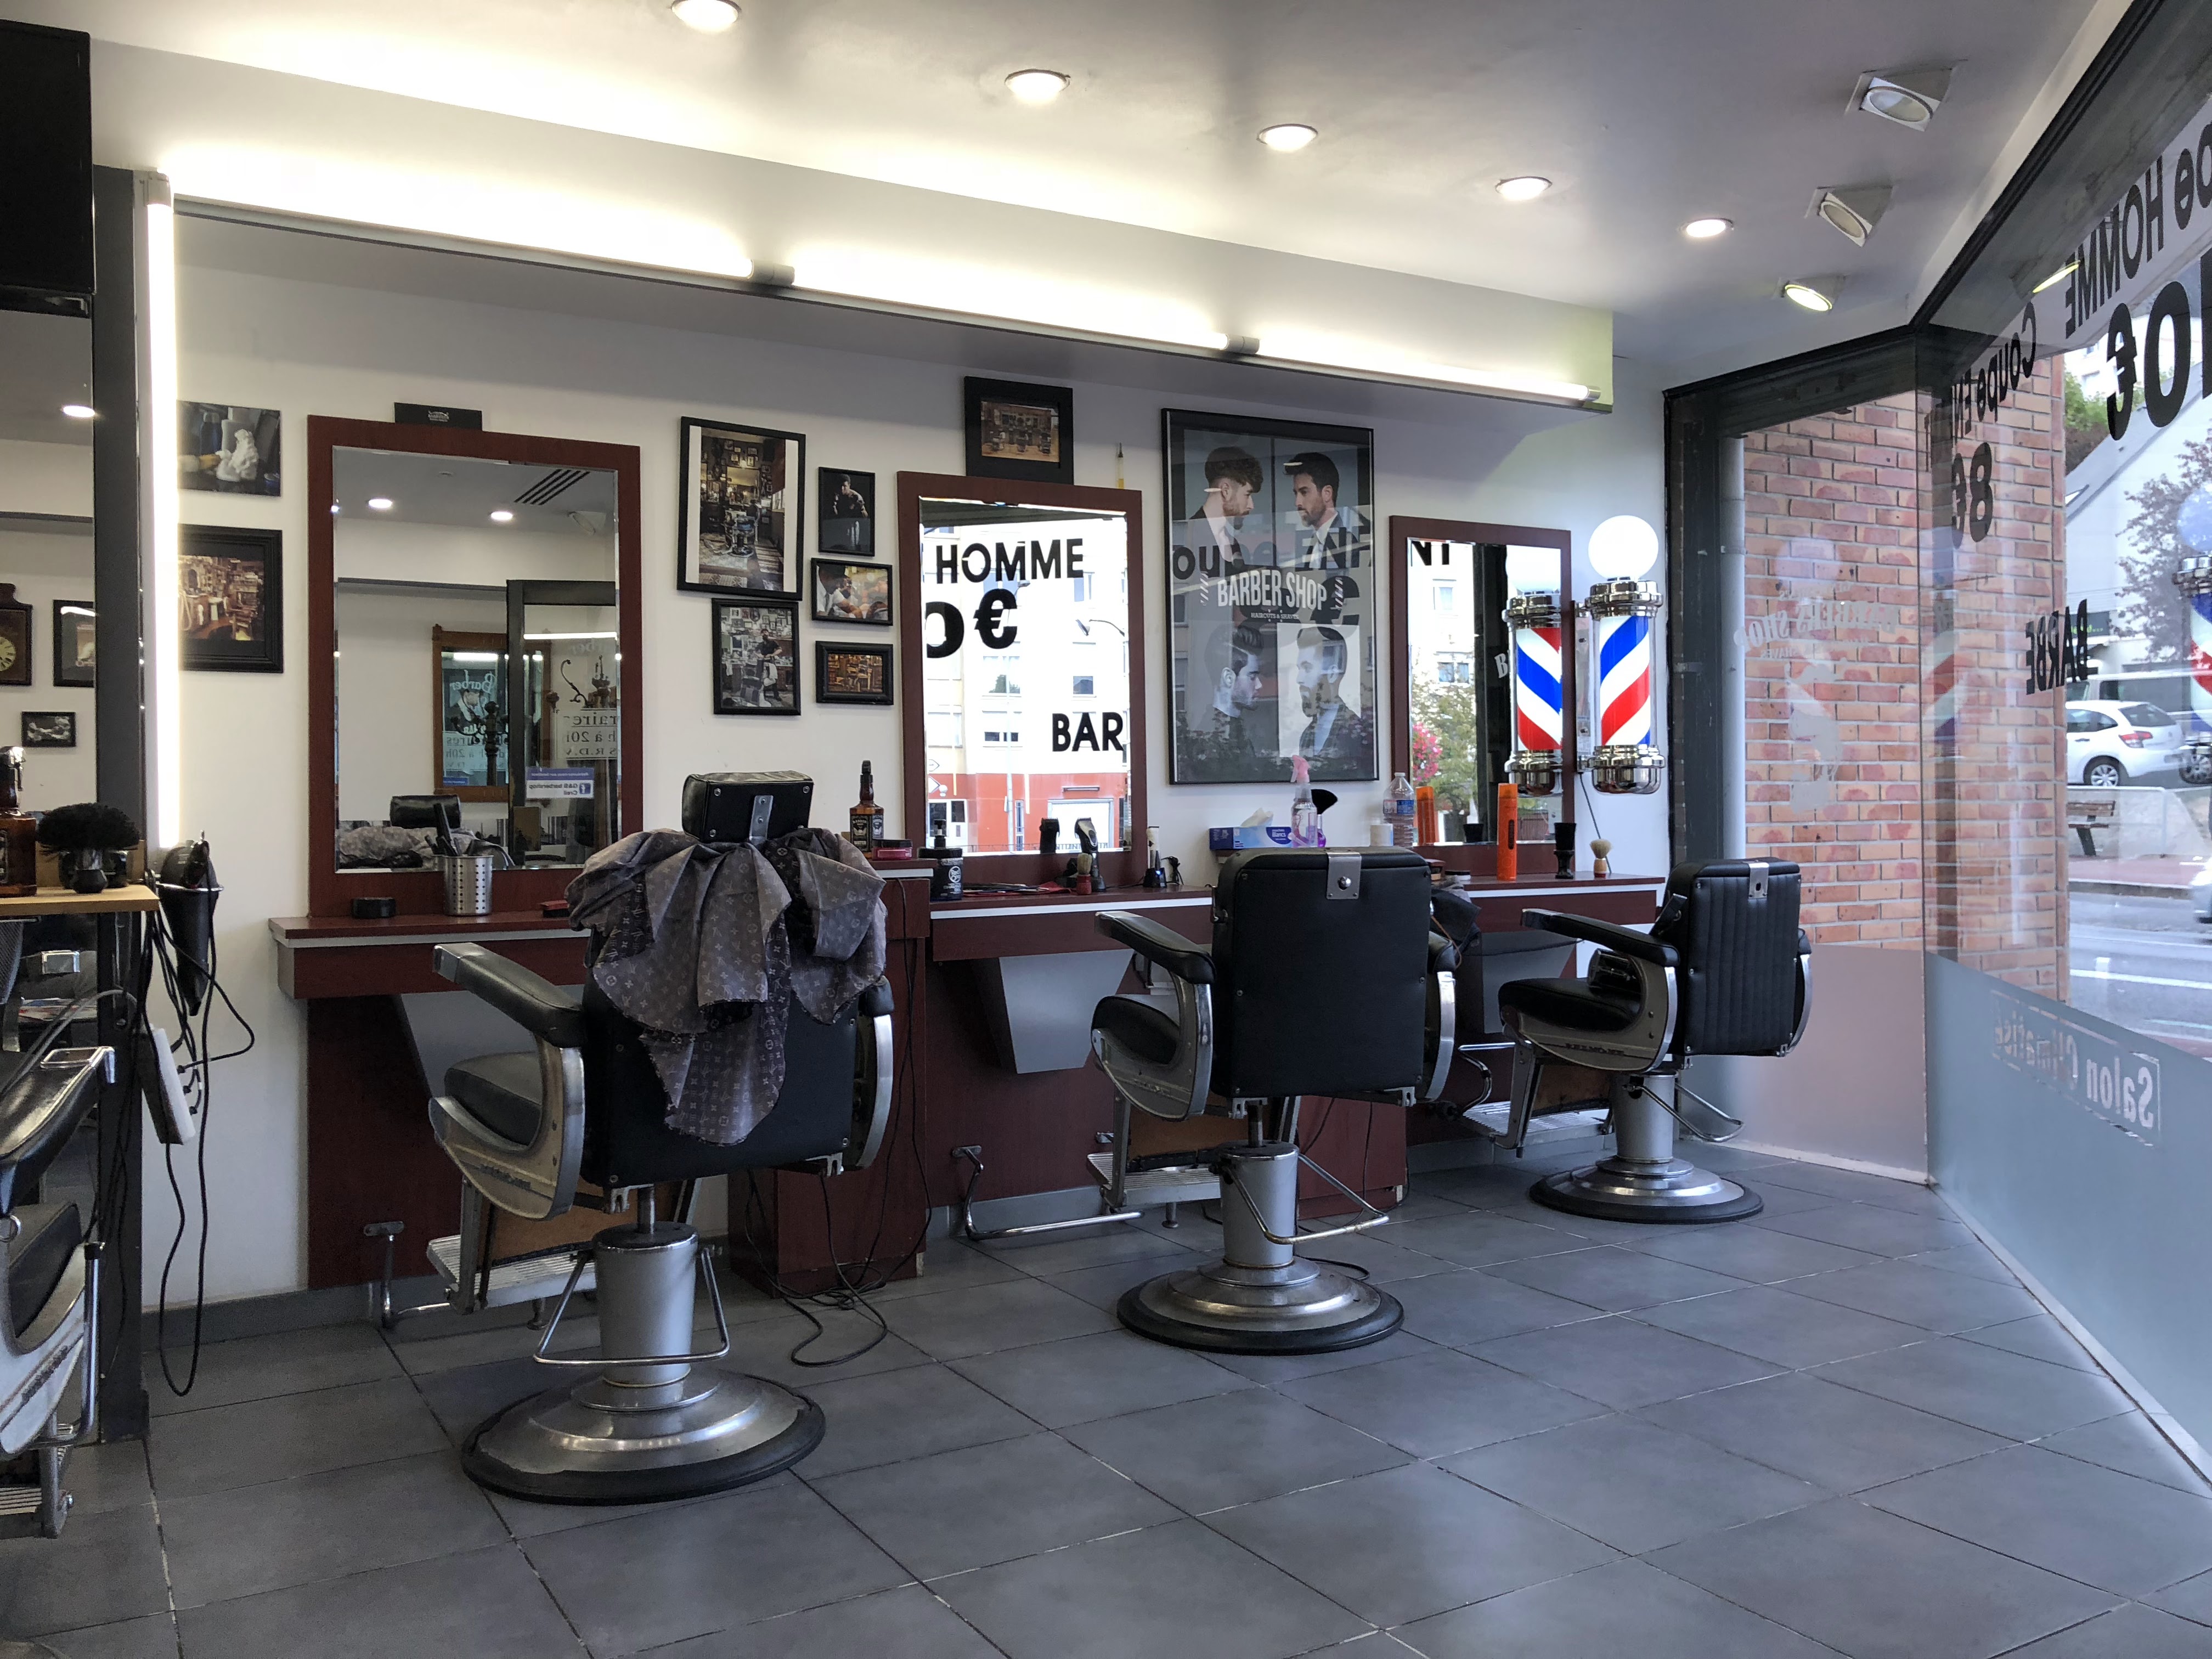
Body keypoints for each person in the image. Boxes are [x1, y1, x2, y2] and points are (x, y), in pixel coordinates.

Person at [1295, 624, 1374, 775]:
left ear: (1332, 674)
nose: (1299, 679)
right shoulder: (1307, 735)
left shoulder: (1356, 732)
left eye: (1307, 668)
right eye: (1299, 669)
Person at [1284, 451, 1369, 570]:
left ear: (1327, 494)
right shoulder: (1314, 541)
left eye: (1304, 492)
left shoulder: (1347, 543)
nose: (1297, 502)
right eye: (1296, 493)